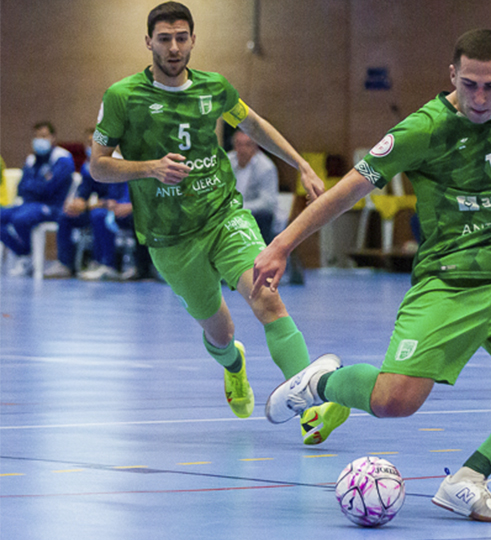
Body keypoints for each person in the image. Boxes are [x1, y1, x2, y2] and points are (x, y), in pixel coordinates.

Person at [254, 29, 491, 523]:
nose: (480, 98)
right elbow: (349, 189)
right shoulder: (423, 130)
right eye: (469, 85)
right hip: (447, 283)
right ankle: (322, 382)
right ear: (452, 77)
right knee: (395, 402)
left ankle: (468, 479)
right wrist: (282, 244)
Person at [89, 1, 348, 446]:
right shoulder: (123, 97)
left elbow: (256, 124)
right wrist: (150, 168)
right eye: (165, 38)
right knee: (222, 332)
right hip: (170, 238)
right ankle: (233, 366)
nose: (173, 47)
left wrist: (302, 164)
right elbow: (97, 166)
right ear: (148, 42)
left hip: (223, 215)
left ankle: (312, 408)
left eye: (181, 37)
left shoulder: (215, 88)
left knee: (267, 298)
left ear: (192, 40)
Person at [45, 128, 123, 279]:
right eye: (88, 143)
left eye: (93, 142)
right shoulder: (89, 165)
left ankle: (106, 264)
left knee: (98, 215)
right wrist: (77, 203)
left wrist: (87, 205)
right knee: (66, 215)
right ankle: (65, 264)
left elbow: (114, 200)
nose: (90, 146)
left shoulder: (117, 163)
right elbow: (84, 191)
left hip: (118, 210)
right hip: (94, 208)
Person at [1, 121, 75, 276]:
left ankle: (26, 256)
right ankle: (24, 253)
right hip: (29, 204)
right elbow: (21, 188)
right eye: (36, 137)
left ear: (53, 138)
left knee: (21, 219)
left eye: (44, 136)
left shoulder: (62, 159)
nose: (39, 140)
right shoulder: (32, 159)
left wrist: (35, 187)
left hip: (53, 207)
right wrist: (38, 185)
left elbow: (49, 190)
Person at [228, 130, 279, 243]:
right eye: (239, 144)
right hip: (230, 213)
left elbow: (268, 203)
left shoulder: (266, 167)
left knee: (264, 216)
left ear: (255, 147)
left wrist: (240, 208)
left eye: (247, 145)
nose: (242, 149)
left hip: (255, 217)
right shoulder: (227, 162)